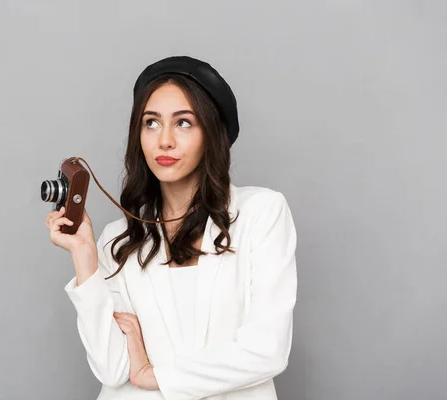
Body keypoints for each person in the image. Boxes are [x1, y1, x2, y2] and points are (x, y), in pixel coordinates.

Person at [45, 55, 298, 400]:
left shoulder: (261, 213)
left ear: (212, 134)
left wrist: (155, 375)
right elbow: (113, 369)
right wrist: (85, 257)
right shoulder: (116, 239)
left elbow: (267, 350)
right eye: (151, 123)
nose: (164, 140)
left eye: (183, 123)